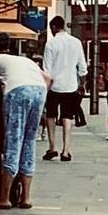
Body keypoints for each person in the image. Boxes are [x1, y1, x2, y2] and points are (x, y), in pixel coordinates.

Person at [0, 32, 49, 209]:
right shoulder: (25, 61)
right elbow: (48, 79)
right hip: (39, 90)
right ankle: (26, 198)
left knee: (14, 140)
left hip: (18, 92)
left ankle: (4, 197)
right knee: (29, 141)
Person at [41, 16, 87, 162]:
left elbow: (46, 68)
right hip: (71, 85)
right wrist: (82, 84)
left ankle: (52, 147)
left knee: (51, 116)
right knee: (67, 117)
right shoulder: (76, 42)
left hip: (53, 86)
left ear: (54, 27)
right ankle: (66, 150)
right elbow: (83, 67)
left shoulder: (51, 44)